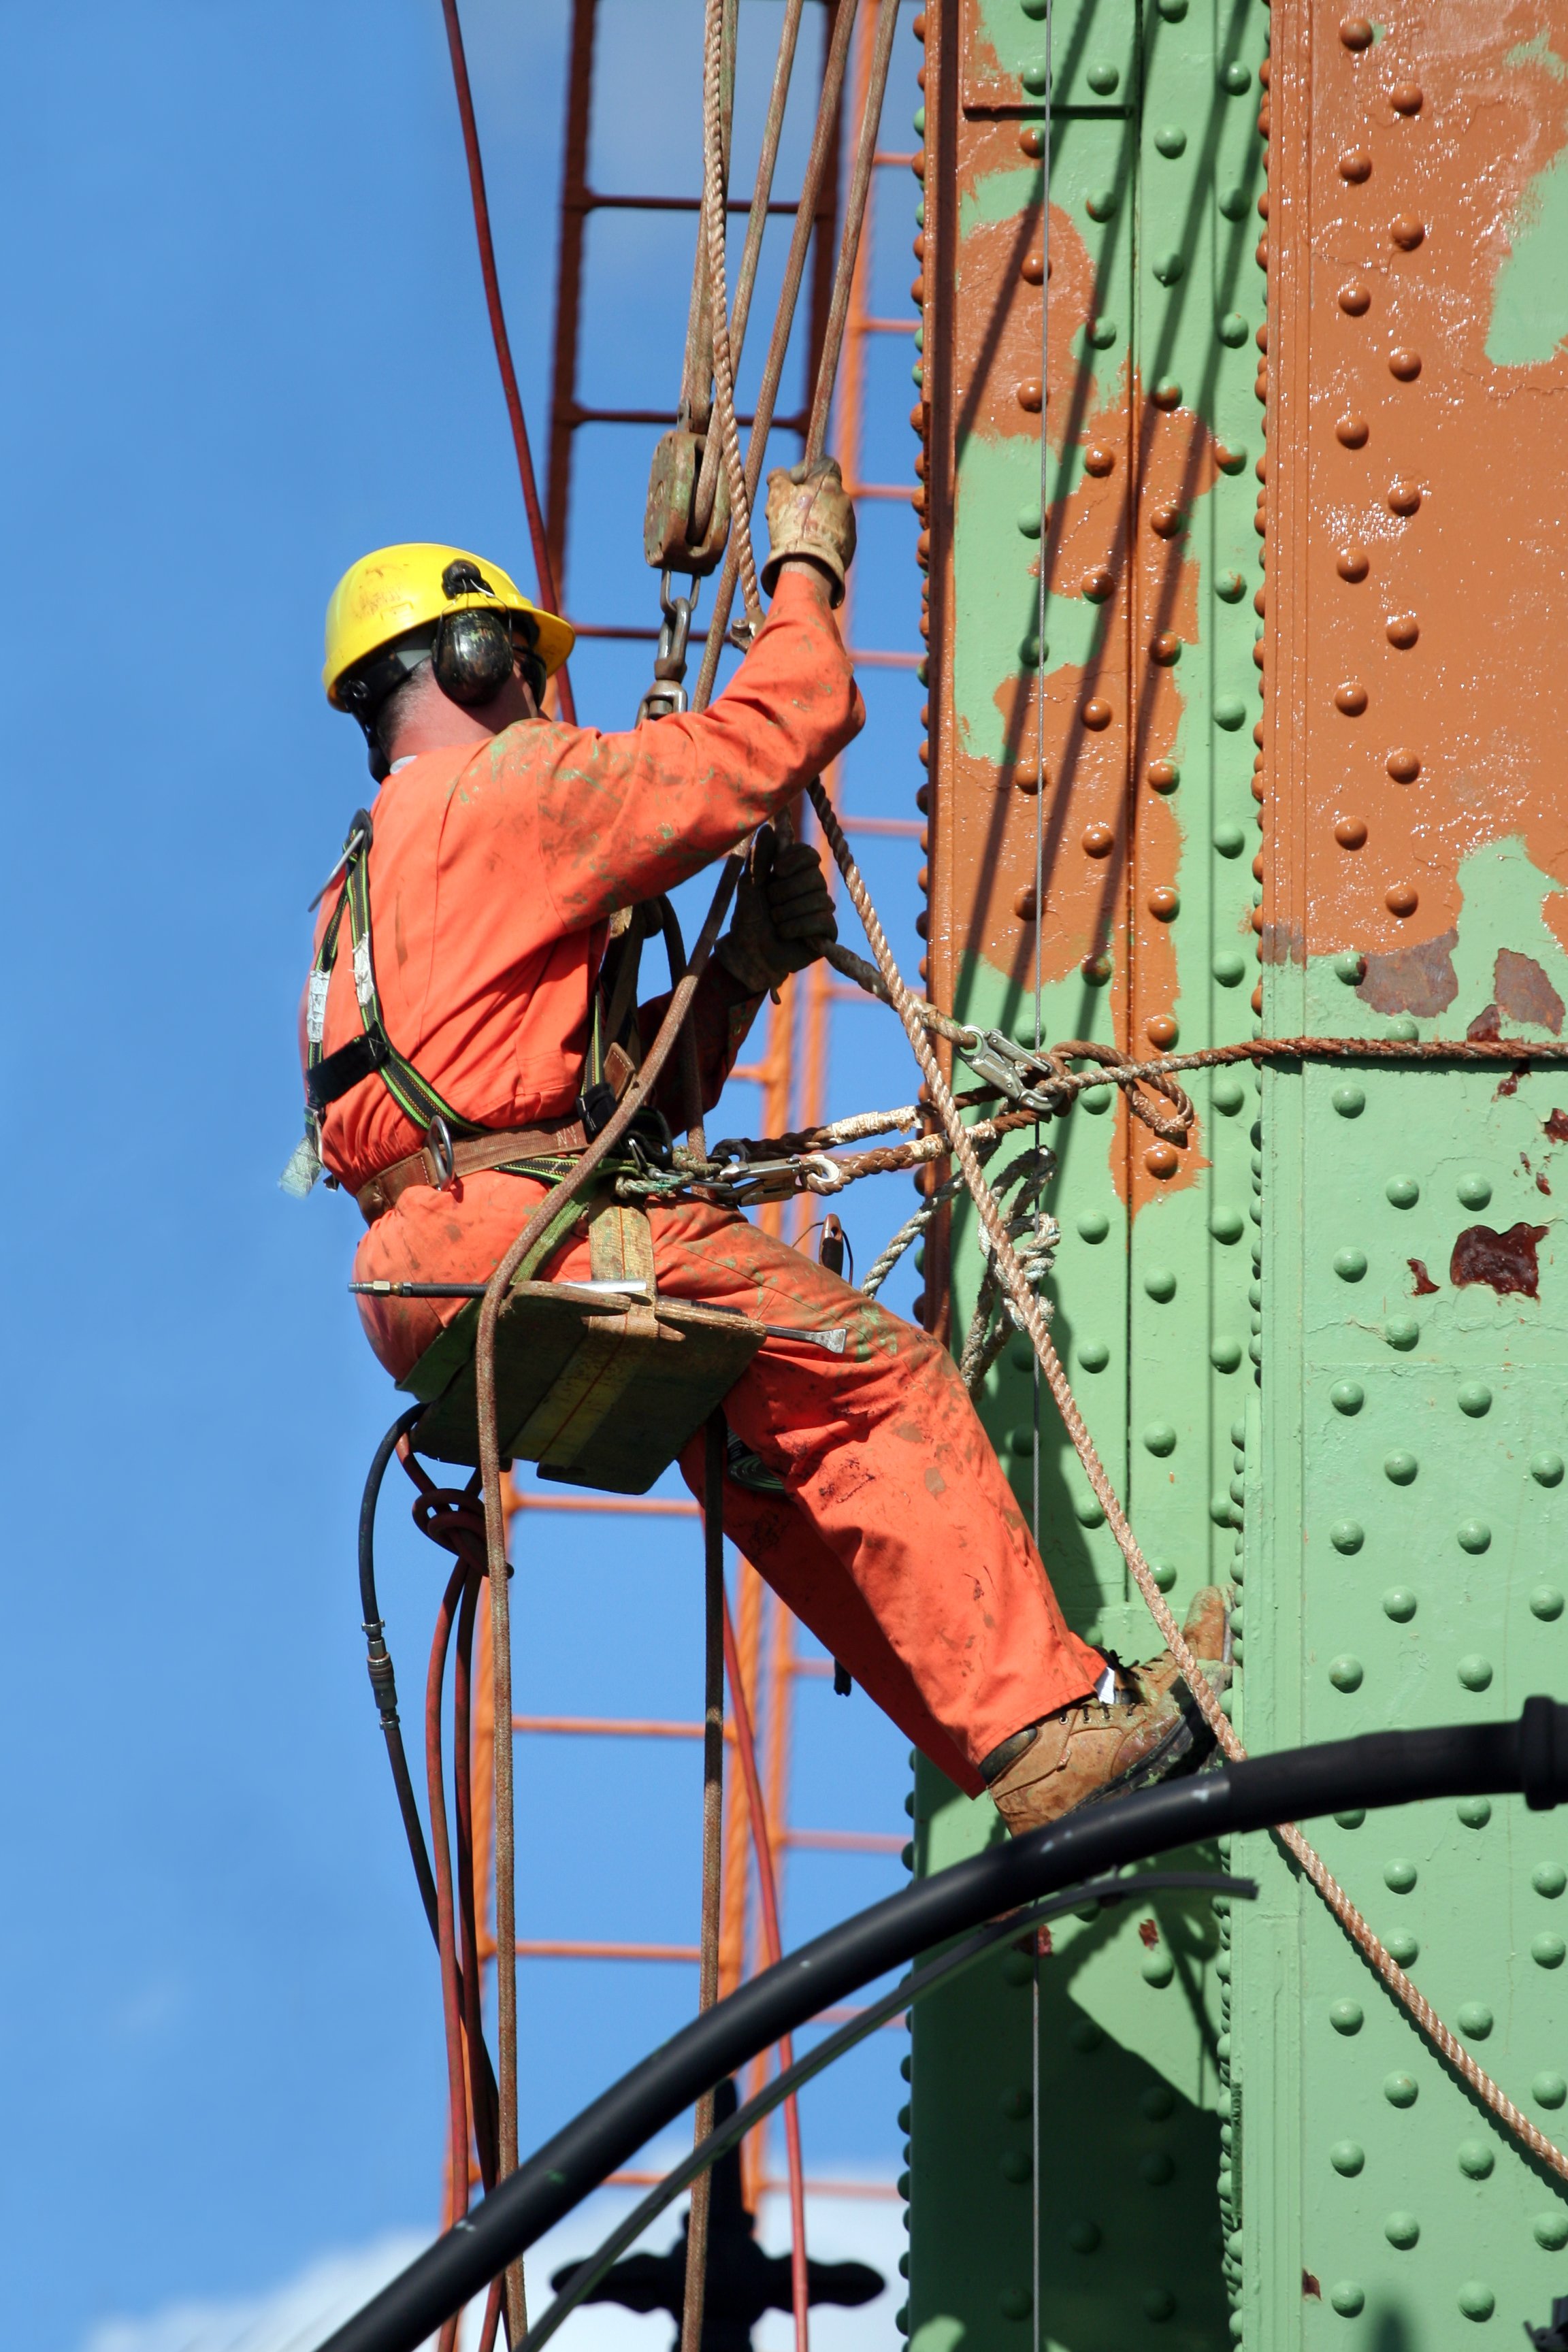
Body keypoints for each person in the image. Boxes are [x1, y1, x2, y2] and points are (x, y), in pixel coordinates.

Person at [299, 461, 1230, 1835]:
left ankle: (1024, 1750)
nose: (545, 697)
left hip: (431, 1266)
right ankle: (1049, 1720)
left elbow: (579, 1112)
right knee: (878, 1376)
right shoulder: (507, 791)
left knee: (773, 1460)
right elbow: (782, 724)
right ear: (473, 655)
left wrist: (736, 970)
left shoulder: (359, 889)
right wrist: (805, 570)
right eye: (523, 667)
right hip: (527, 1234)